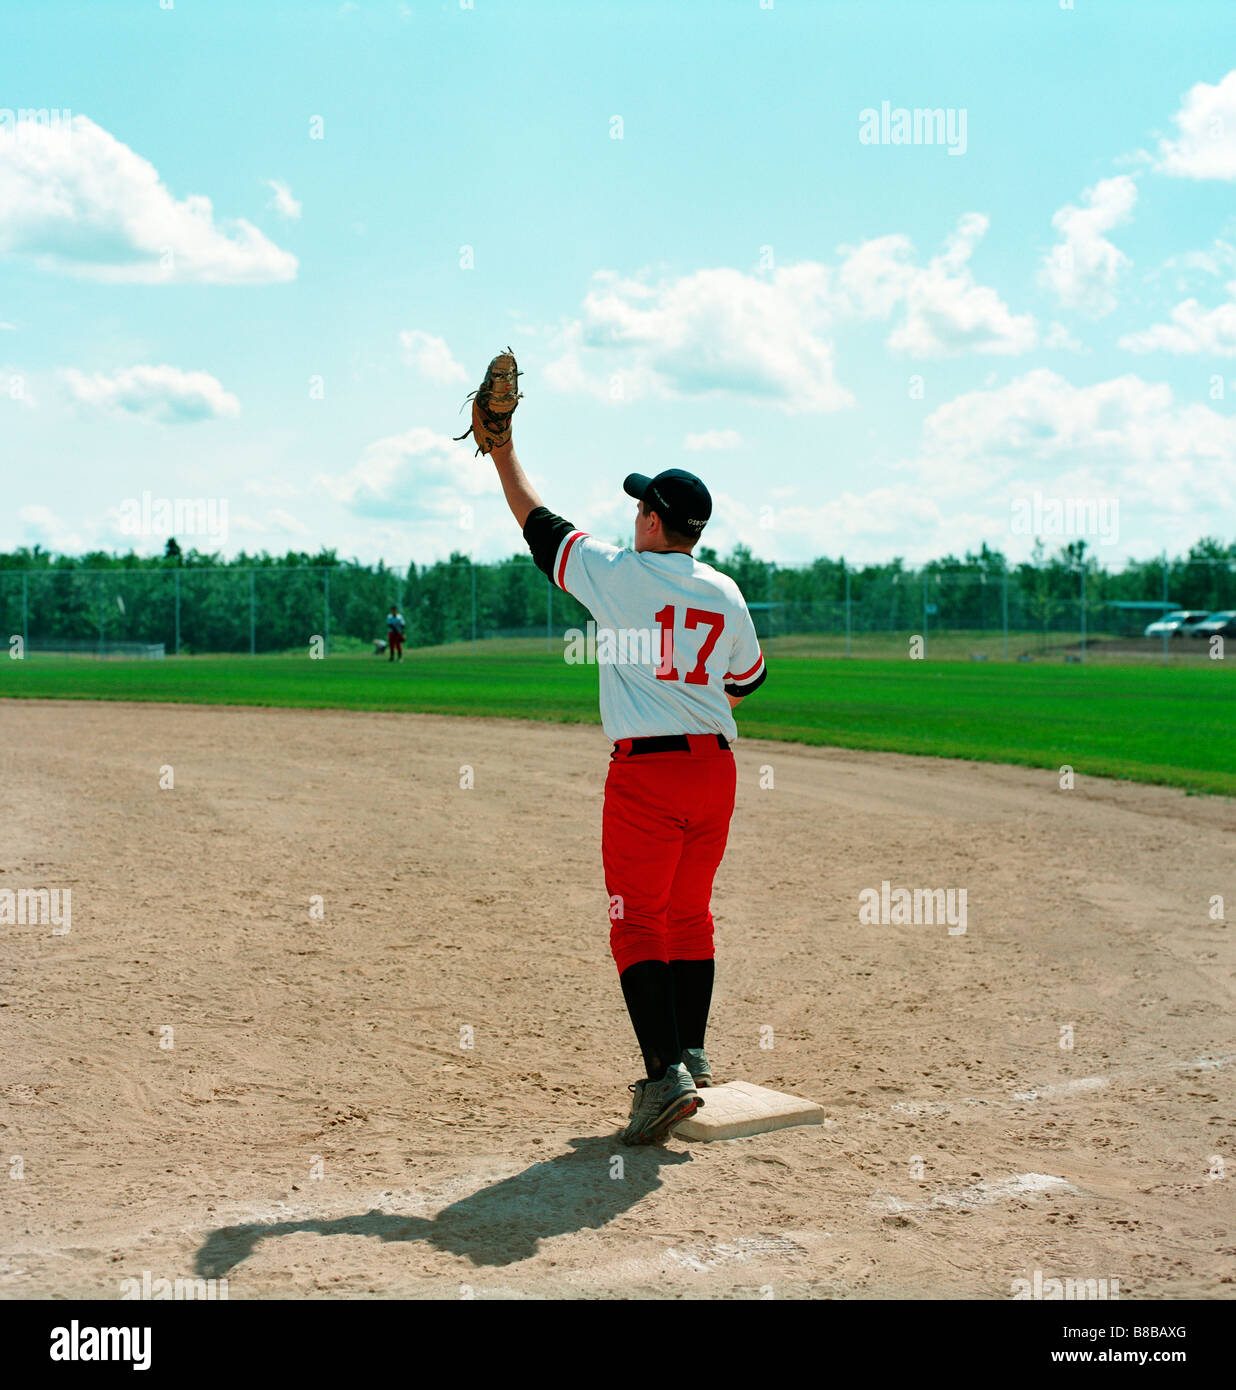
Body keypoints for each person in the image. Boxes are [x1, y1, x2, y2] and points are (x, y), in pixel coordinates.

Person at [488, 431, 767, 1145]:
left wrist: (502, 446)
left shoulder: (617, 573)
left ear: (651, 520)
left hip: (647, 772)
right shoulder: (725, 591)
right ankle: (693, 1057)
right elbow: (745, 685)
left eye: (640, 505)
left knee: (637, 922)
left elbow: (534, 518)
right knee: (689, 915)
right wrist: (689, 709)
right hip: (715, 769)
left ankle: (661, 1077)